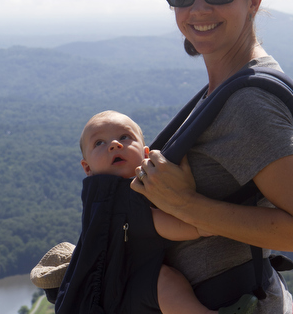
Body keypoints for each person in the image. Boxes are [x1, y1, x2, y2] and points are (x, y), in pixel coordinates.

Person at [130, 0, 293, 314]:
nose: (198, 7)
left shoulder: (247, 103)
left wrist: (185, 205)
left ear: (253, 0)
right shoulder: (226, 87)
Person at [78, 110, 259, 314]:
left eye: (124, 137)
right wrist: (203, 226)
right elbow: (158, 224)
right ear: (87, 168)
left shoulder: (95, 199)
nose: (114, 144)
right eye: (99, 143)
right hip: (124, 291)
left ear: (145, 154)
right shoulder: (123, 196)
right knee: (165, 280)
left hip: (111, 291)